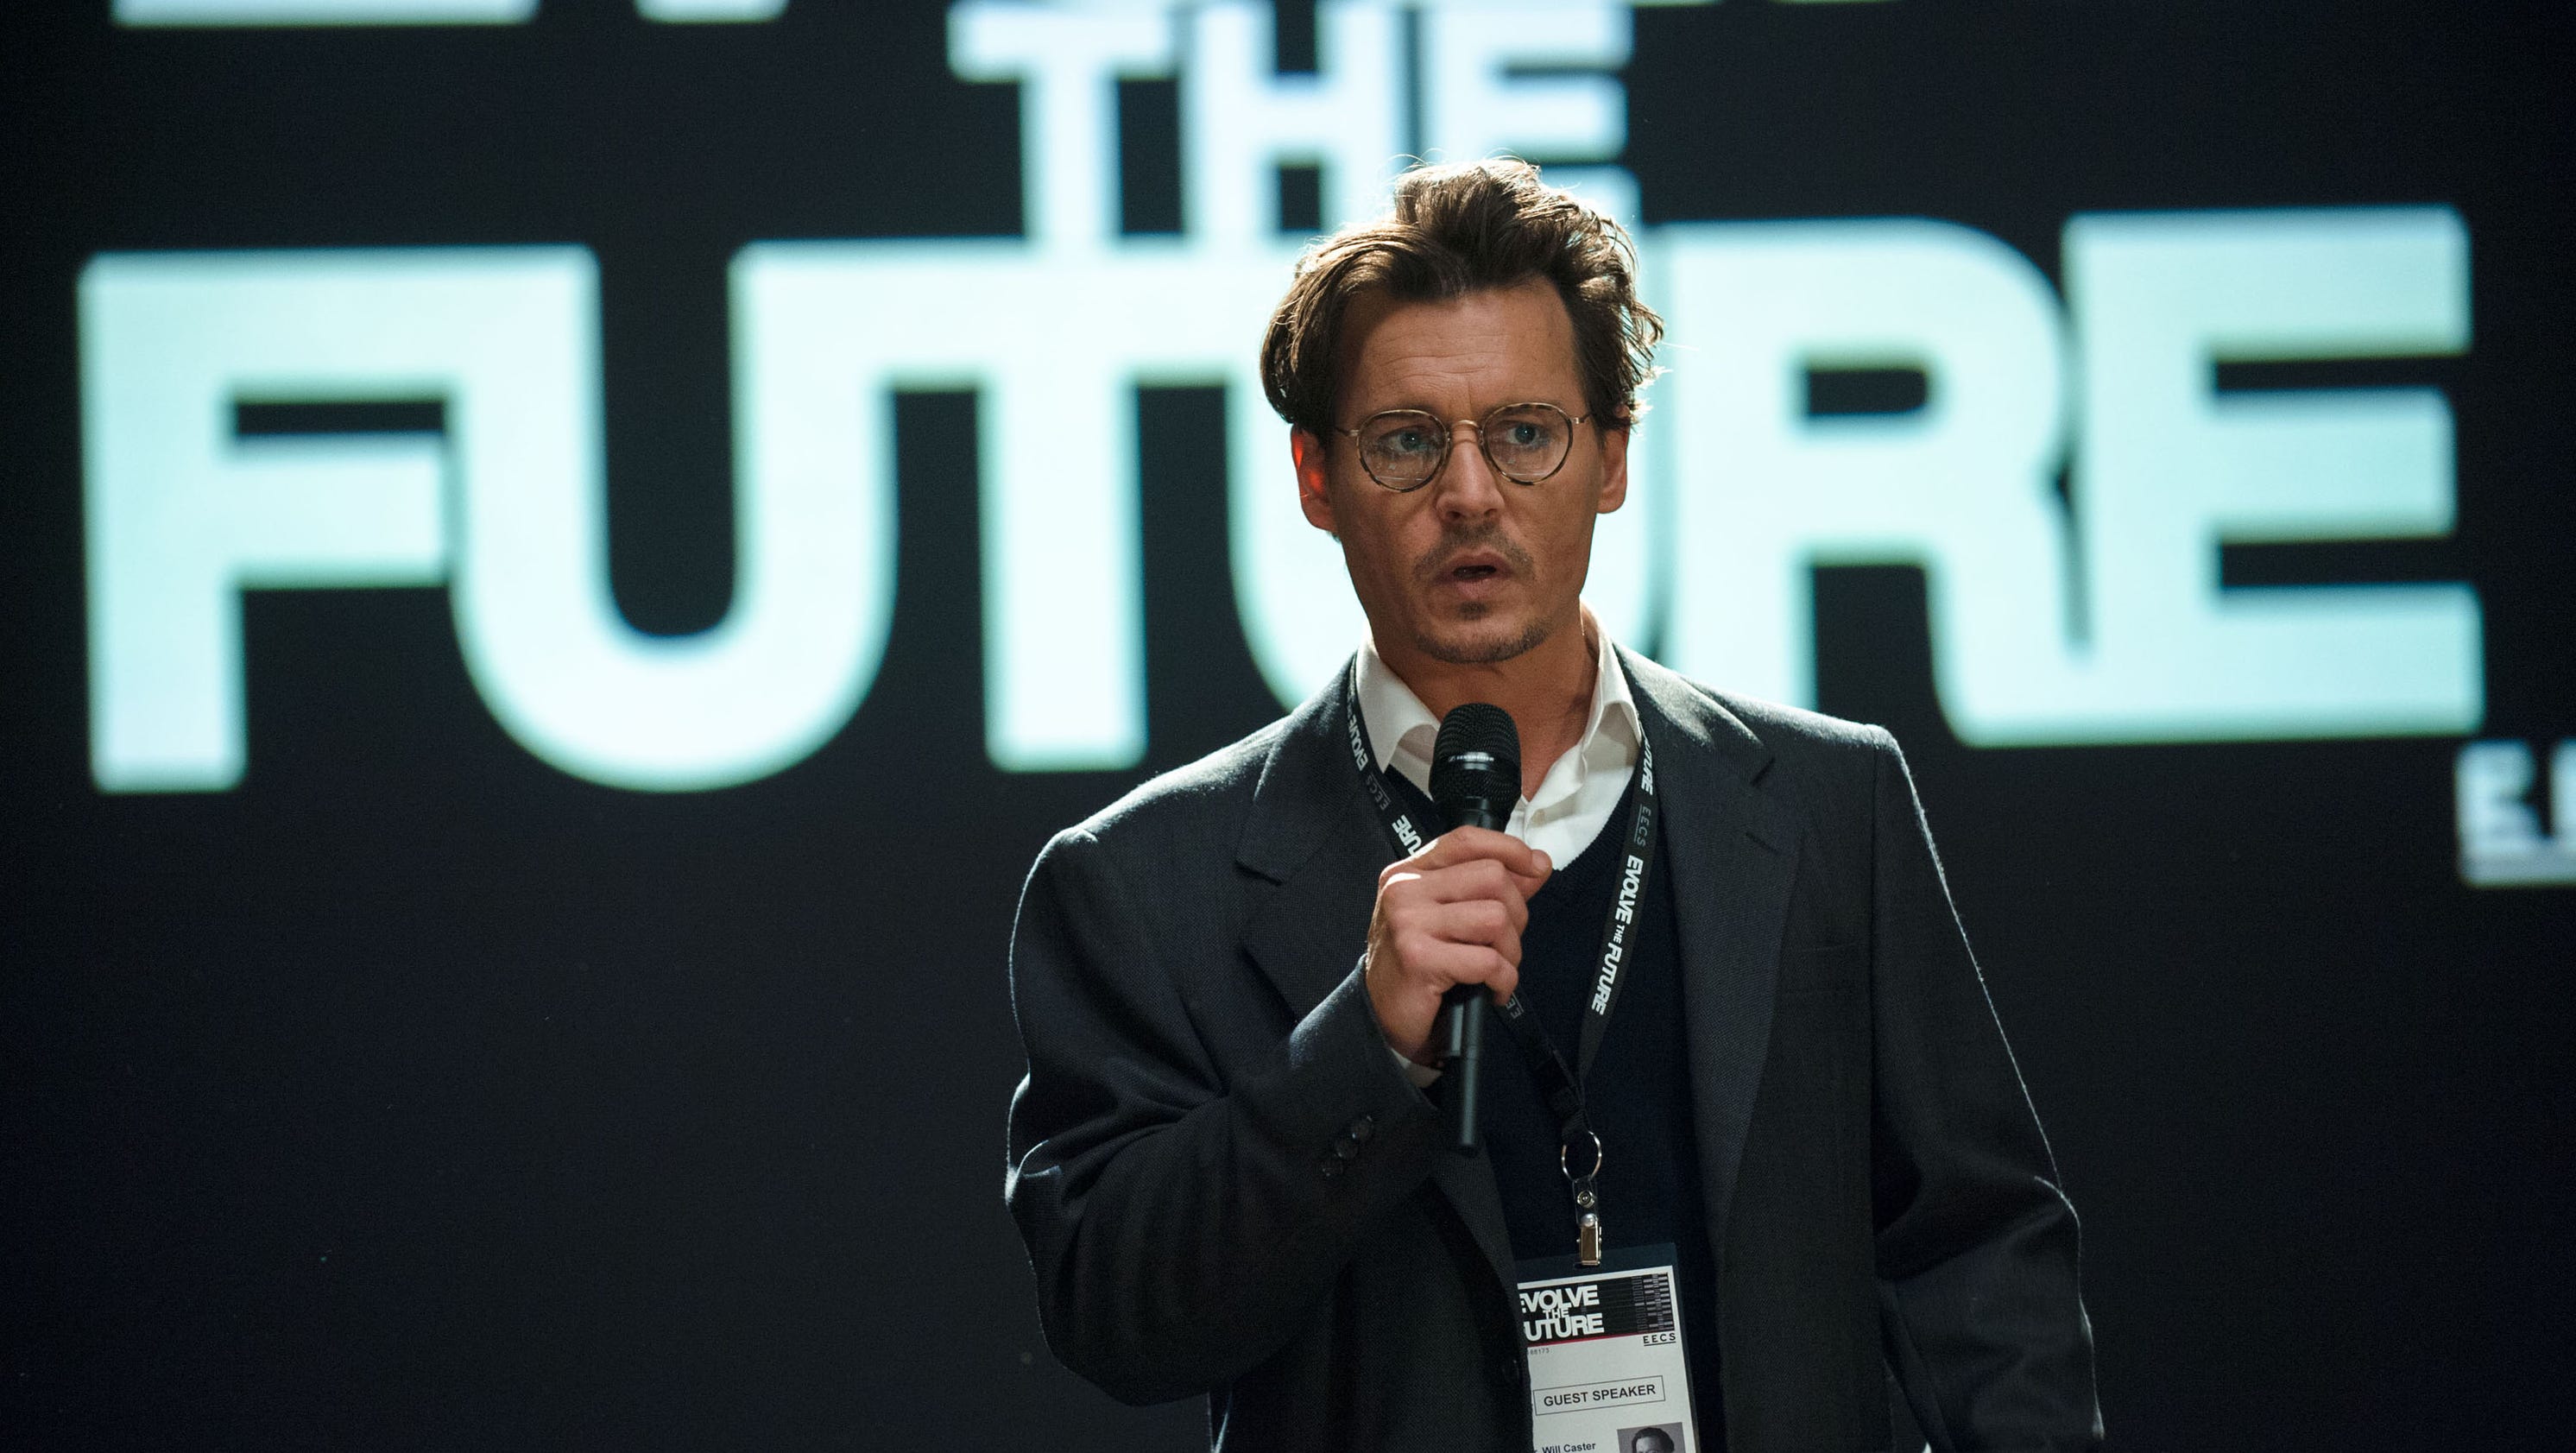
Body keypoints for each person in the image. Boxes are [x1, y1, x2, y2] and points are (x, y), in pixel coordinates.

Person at [1003, 158, 2100, 1452]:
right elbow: (1117, 1318)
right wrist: (1366, 1048)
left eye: (1525, 434)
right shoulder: (1143, 882)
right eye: (1406, 443)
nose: (1470, 494)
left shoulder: (1826, 802)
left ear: (1612, 457)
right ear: (1316, 479)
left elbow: (1981, 1256)